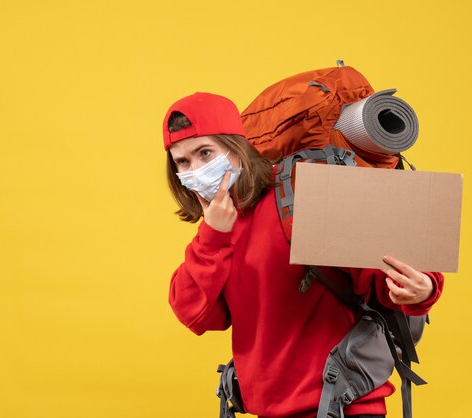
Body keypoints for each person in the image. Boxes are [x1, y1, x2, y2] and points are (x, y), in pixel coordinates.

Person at [162, 92, 444, 418]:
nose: (195, 170)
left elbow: (384, 278)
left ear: (236, 146)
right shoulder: (220, 224)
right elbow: (195, 314)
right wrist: (212, 237)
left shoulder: (296, 194)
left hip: (342, 407)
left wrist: (422, 289)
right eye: (182, 161)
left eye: (205, 153)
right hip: (268, 410)